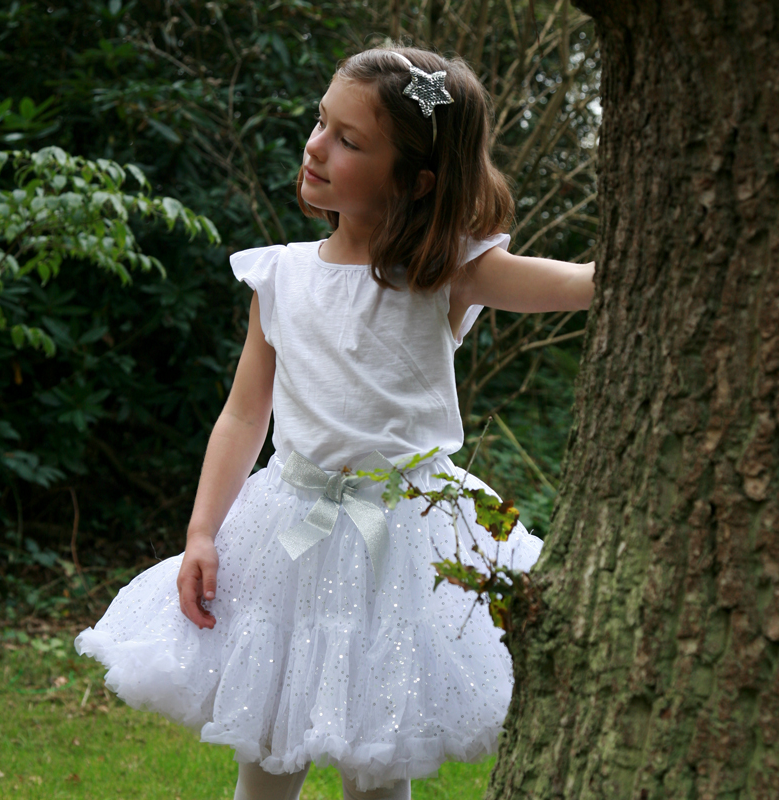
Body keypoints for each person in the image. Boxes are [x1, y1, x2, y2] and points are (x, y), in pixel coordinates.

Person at [75, 45, 594, 800]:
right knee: (268, 742)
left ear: (415, 179)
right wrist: (201, 532)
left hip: (406, 539)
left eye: (350, 140)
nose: (317, 145)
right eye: (322, 122)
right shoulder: (280, 275)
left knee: (377, 756)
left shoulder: (446, 270)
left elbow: (579, 287)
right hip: (289, 533)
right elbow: (244, 413)